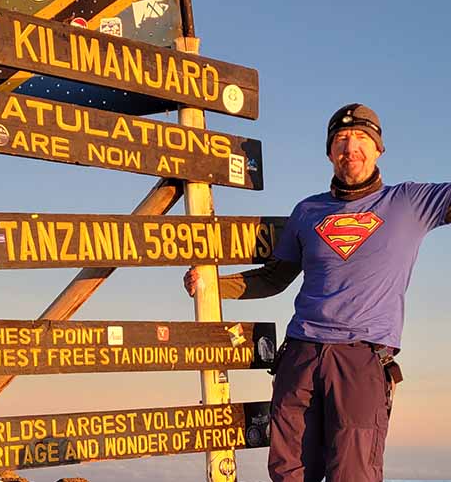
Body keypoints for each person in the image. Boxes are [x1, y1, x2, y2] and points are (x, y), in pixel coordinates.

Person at [184, 103, 451, 482]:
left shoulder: (409, 202)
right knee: (288, 472)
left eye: (361, 138)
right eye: (341, 139)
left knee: (353, 473)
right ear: (329, 152)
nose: (350, 148)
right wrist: (212, 286)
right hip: (300, 355)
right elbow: (273, 279)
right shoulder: (308, 211)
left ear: (378, 148)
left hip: (360, 358)